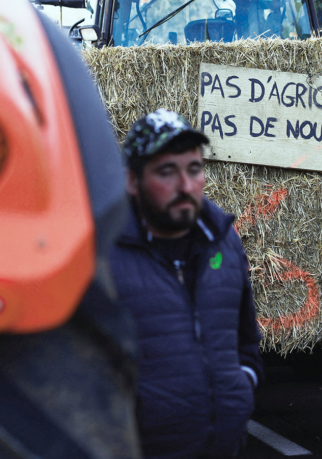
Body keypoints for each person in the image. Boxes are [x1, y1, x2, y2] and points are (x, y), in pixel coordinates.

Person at [110, 108, 264, 459]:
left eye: (194, 170)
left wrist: (241, 386)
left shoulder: (225, 244)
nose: (185, 186)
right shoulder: (104, 256)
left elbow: (246, 342)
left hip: (222, 446)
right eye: (167, 172)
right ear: (132, 181)